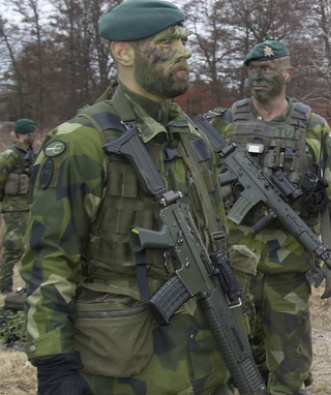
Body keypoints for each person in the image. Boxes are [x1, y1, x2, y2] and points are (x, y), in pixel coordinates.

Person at [19, 0, 254, 393]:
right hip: (125, 370)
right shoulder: (82, 142)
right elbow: (48, 261)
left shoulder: (192, 138)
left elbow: (218, 243)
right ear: (122, 52)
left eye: (183, 38)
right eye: (167, 41)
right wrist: (54, 363)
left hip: (208, 358)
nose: (185, 50)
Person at [208, 40, 331, 395]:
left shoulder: (314, 127)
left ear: (287, 74)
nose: (259, 76)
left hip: (288, 264)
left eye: (268, 69)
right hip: (233, 263)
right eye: (253, 69)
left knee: (290, 362)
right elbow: (201, 190)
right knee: (237, 353)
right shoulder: (223, 123)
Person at [0, 119, 35, 295]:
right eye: (29, 133)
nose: (32, 136)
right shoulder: (10, 155)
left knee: (30, 248)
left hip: (29, 208)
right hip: (14, 209)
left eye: (33, 133)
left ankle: (27, 287)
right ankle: (4, 288)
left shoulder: (31, 153)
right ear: (20, 134)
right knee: (13, 248)